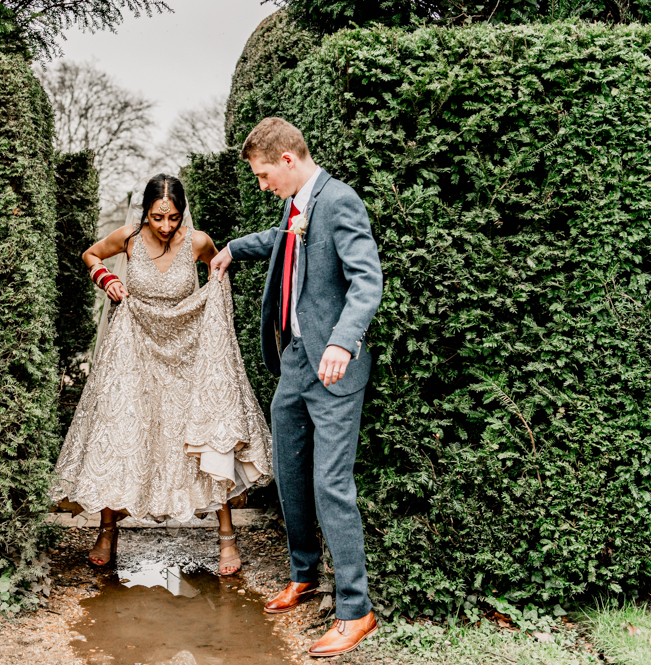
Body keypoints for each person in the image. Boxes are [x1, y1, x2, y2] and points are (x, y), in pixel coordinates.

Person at [210, 117, 383, 658]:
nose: (263, 185)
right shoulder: (296, 204)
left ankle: (356, 611)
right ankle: (304, 572)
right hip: (296, 364)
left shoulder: (340, 201)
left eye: (264, 175)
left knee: (331, 484)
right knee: (288, 469)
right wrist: (235, 248)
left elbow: (367, 278)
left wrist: (342, 341)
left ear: (288, 160)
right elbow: (283, 242)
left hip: (333, 366)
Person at [50, 173, 272, 576]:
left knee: (202, 433)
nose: (166, 227)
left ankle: (226, 537)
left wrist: (211, 307)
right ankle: (107, 530)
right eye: (157, 218)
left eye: (173, 218)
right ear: (146, 214)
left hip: (185, 352)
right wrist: (109, 279)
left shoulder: (199, 241)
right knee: (121, 431)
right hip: (132, 347)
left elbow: (217, 273)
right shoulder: (128, 238)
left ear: (182, 213)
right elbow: (90, 255)